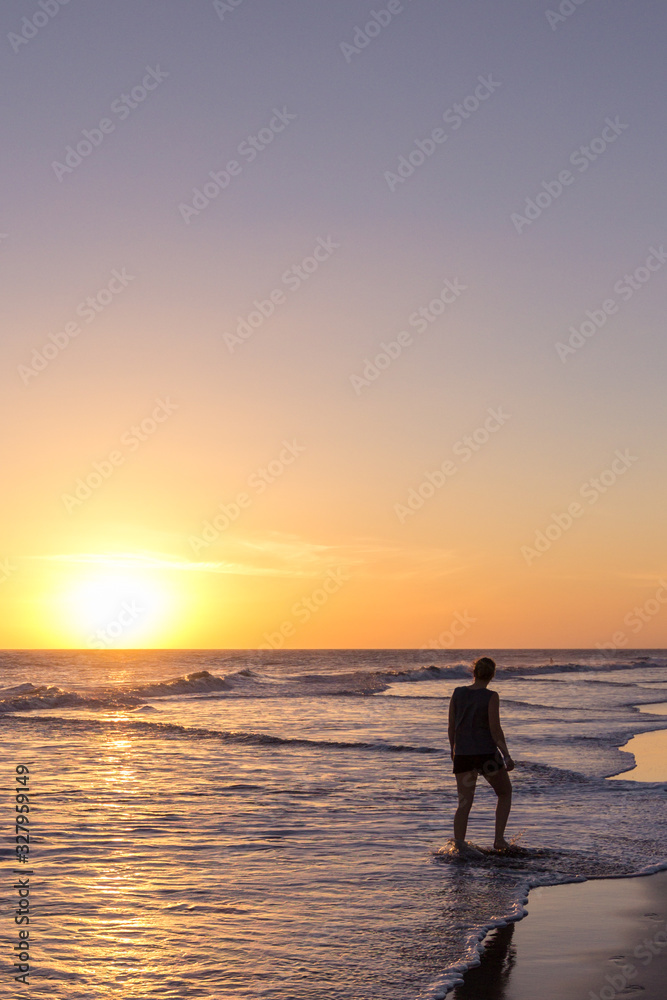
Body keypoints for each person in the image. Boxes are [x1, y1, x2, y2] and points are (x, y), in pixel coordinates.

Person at [448, 656, 515, 851]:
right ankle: (499, 840)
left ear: (473, 672)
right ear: (492, 675)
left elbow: (452, 726)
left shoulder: (458, 693)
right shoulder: (491, 696)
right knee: (504, 792)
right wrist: (507, 755)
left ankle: (459, 844)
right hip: (486, 755)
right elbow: (495, 729)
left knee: (464, 803)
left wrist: (453, 749)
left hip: (462, 755)